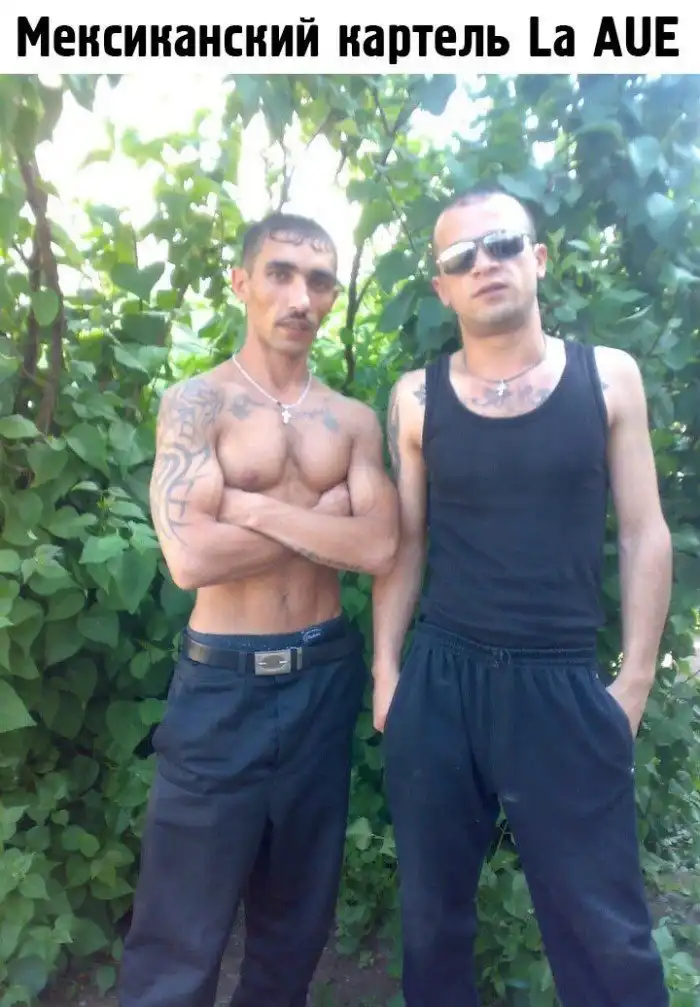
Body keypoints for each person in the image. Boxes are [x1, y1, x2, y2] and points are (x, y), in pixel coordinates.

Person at [372, 185, 673, 1007]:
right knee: (432, 924)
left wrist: (635, 679)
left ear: (537, 258)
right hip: (441, 680)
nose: (485, 264)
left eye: (503, 244)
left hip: (562, 684)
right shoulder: (417, 397)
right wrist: (388, 672)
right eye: (460, 256)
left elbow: (644, 532)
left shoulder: (608, 378)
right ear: (442, 286)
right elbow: (405, 541)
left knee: (606, 934)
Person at [118, 212, 399, 1007]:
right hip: (222, 688)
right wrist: (323, 522)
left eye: (319, 280)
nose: (300, 296)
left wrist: (253, 510)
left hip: (322, 680)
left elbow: (380, 545)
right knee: (179, 933)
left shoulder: (353, 420)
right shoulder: (196, 404)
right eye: (280, 273)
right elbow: (191, 558)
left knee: (295, 923)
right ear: (242, 282)